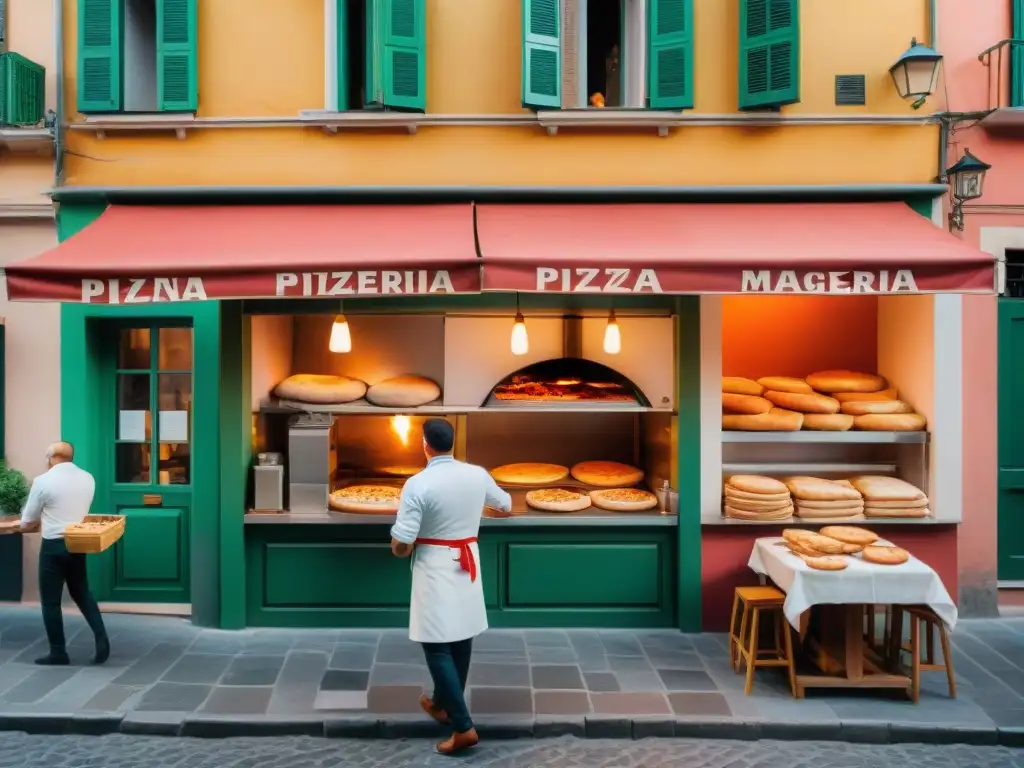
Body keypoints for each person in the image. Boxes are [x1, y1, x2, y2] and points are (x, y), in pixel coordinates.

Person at [389, 419, 512, 755]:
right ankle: (442, 706)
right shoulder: (477, 474)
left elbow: (403, 540)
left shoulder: (418, 483)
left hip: (434, 564)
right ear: (452, 443)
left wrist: (399, 550)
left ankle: (463, 726)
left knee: (435, 644)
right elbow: (505, 504)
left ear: (425, 444)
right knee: (461, 635)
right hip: (468, 560)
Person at [15, 442, 109, 666]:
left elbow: (28, 519)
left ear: (50, 457)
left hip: (54, 545)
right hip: (78, 542)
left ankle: (58, 652)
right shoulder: (87, 478)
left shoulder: (43, 481)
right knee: (82, 592)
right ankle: (101, 636)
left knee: (50, 601)